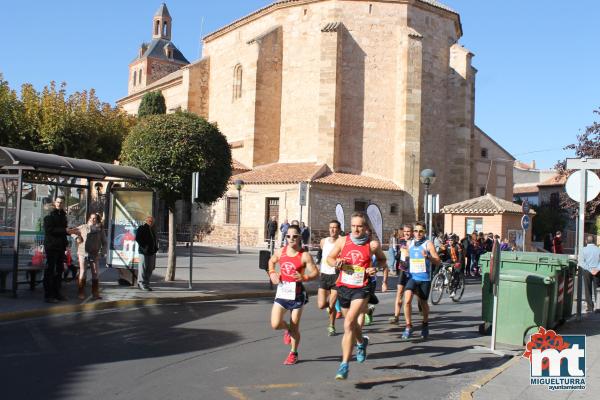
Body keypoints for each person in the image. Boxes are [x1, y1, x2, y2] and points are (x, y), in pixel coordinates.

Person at [327, 212, 387, 380]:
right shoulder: (342, 241)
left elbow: (382, 260)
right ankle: (361, 343)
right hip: (344, 286)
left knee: (348, 324)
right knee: (352, 325)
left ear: (365, 227)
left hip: (362, 287)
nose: (356, 229)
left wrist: (375, 269)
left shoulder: (372, 245)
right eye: (353, 226)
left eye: (359, 226)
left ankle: (344, 365)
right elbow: (330, 259)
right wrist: (336, 263)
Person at [267, 225, 318, 365]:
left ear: (300, 237)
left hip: (297, 295)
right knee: (275, 324)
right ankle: (287, 329)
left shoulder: (304, 255)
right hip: (282, 292)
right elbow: (271, 261)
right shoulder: (280, 252)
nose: (291, 239)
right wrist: (272, 273)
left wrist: (305, 278)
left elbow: (315, 273)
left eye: (294, 236)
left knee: (295, 326)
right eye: (288, 236)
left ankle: (293, 353)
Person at [402, 221, 440, 340]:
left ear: (424, 232)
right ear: (413, 232)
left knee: (423, 303)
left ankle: (425, 323)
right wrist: (403, 257)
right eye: (416, 231)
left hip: (425, 279)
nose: (418, 233)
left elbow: (438, 261)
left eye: (421, 231)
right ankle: (408, 326)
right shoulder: (410, 243)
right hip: (413, 277)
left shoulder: (428, 244)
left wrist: (428, 257)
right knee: (407, 300)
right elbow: (406, 259)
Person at [43, 196, 79, 303]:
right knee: (50, 271)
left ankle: (57, 293)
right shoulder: (49, 214)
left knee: (59, 271)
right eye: (58, 202)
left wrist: (66, 242)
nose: (59, 204)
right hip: (51, 246)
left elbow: (63, 232)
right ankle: (48, 295)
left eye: (61, 202)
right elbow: (49, 230)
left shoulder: (63, 215)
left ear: (63, 204)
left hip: (60, 247)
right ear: (55, 203)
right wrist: (65, 230)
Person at [73, 213, 107, 300]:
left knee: (95, 273)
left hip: (94, 253)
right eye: (91, 218)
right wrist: (77, 237)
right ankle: (81, 292)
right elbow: (72, 231)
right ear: (88, 219)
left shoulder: (100, 229)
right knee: (83, 271)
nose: (93, 220)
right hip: (82, 252)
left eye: (95, 218)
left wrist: (102, 252)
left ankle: (95, 292)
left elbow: (105, 242)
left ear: (97, 220)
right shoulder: (83, 227)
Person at [317, 220, 342, 336]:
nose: (332, 229)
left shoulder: (342, 242)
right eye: (331, 227)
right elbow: (320, 254)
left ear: (339, 229)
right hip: (324, 275)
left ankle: (331, 326)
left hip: (336, 276)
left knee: (332, 304)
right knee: (321, 305)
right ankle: (333, 309)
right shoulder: (323, 241)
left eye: (335, 227)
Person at [389, 224, 413, 325]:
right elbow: (399, 254)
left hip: (413, 271)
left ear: (412, 232)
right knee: (399, 293)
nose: (406, 233)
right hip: (403, 269)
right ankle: (396, 316)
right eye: (405, 231)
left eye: (408, 231)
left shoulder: (415, 242)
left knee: (414, 295)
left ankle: (421, 307)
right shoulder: (401, 241)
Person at [135, 216, 159, 291]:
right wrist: (144, 247)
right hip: (143, 252)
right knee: (143, 268)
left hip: (151, 252)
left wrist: (155, 248)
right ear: (146, 221)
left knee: (150, 268)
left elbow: (154, 240)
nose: (151, 223)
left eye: (152, 221)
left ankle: (146, 283)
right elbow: (138, 238)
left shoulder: (152, 229)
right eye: (150, 221)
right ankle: (141, 283)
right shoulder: (142, 228)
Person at [581, 235, 600, 313]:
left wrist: (589, 269)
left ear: (586, 241)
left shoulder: (583, 250)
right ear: (594, 241)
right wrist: (597, 269)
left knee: (587, 289)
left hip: (587, 271)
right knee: (597, 289)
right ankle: (598, 307)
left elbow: (582, 262)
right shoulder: (598, 249)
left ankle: (590, 307)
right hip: (597, 271)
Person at [446, 234, 464, 299]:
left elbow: (460, 255)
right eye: (449, 240)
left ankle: (454, 291)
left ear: (454, 240)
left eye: (451, 240)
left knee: (456, 275)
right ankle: (447, 279)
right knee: (446, 266)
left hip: (458, 261)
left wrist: (459, 262)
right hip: (451, 261)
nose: (450, 241)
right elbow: (441, 252)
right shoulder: (447, 246)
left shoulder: (458, 246)